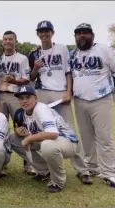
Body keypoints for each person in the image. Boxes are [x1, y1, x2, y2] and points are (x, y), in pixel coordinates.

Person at [10, 86, 92, 193]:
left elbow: (53, 134)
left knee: (47, 145)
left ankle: (58, 181)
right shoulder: (20, 113)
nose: (24, 101)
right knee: (13, 139)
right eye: (21, 98)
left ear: (35, 97)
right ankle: (44, 170)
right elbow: (21, 128)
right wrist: (19, 132)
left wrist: (28, 139)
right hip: (48, 140)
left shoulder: (41, 108)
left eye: (28, 97)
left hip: (68, 142)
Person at [69, 23, 115, 188]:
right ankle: (93, 167)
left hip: (101, 98)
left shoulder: (105, 50)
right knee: (87, 138)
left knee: (105, 138)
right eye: (78, 33)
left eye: (85, 33)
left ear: (92, 35)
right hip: (80, 101)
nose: (82, 36)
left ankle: (110, 173)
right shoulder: (72, 54)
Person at [0, 30, 35, 175]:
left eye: (10, 39)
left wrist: (15, 81)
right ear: (2, 42)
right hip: (1, 95)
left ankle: (29, 162)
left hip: (16, 95)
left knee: (23, 128)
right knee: (1, 129)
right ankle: (2, 162)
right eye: (5, 39)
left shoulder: (22, 58)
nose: (7, 42)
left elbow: (27, 78)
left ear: (15, 41)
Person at [28, 21, 74, 131]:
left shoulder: (62, 48)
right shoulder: (34, 53)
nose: (44, 34)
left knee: (67, 125)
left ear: (52, 33)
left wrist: (68, 92)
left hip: (61, 92)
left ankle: (73, 148)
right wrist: (35, 68)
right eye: (41, 32)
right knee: (45, 125)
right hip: (42, 92)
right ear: (37, 34)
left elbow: (68, 72)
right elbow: (32, 78)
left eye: (46, 31)